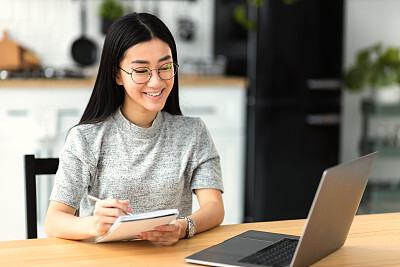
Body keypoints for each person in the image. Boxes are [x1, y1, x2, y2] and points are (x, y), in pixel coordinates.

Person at [45, 12, 224, 246]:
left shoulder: (193, 132)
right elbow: (54, 221)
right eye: (141, 71)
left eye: (165, 67)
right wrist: (94, 224)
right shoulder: (85, 139)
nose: (156, 81)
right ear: (117, 74)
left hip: (171, 260)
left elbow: (214, 207)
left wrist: (183, 227)